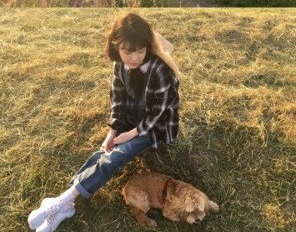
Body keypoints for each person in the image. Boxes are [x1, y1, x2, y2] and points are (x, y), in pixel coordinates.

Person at [28, 12, 181, 232]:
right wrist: (114, 131)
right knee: (104, 151)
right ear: (116, 47)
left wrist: (130, 134)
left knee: (114, 158)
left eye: (140, 51)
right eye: (128, 52)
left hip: (153, 128)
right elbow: (118, 100)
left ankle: (60, 203)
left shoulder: (160, 69)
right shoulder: (120, 65)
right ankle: (65, 203)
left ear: (148, 47)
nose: (135, 58)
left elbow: (159, 112)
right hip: (130, 120)